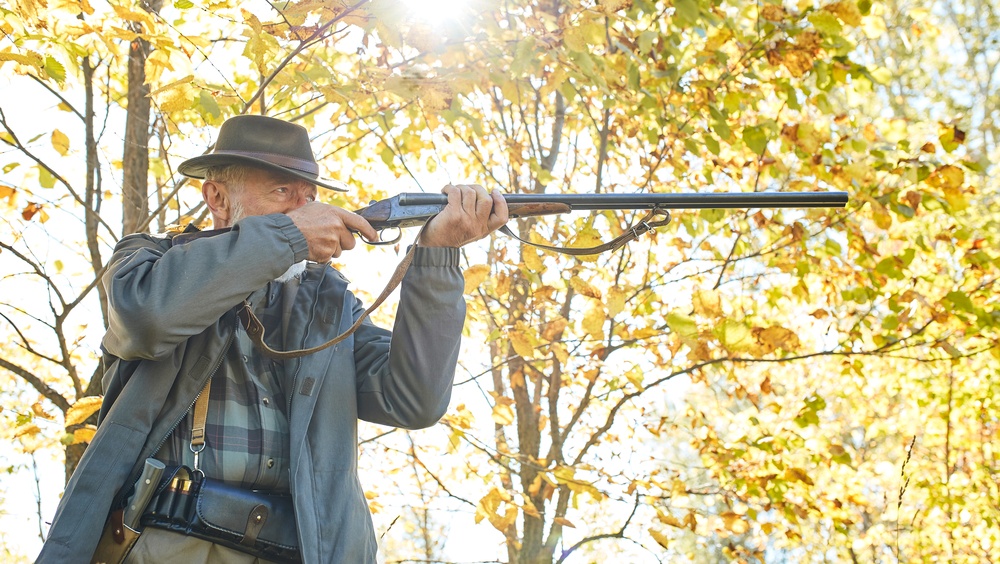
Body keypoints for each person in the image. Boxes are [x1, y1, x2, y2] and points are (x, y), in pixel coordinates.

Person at [37, 115, 509, 563]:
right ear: (217, 198)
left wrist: (438, 256)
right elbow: (148, 318)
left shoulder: (328, 303)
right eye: (282, 192)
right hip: (170, 545)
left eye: (309, 197)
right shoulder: (150, 261)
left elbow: (414, 400)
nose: (304, 210)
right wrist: (287, 238)